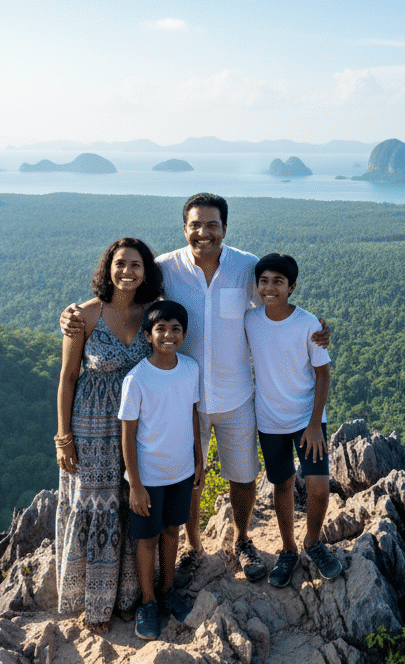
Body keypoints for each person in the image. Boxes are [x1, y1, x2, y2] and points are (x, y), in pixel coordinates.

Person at [62, 194, 329, 586]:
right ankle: (193, 546)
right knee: (188, 478)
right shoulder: (166, 269)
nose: (203, 232)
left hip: (236, 394)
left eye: (212, 225)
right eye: (195, 225)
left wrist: (317, 327)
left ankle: (241, 540)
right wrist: (73, 312)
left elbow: (276, 304)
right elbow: (125, 293)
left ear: (225, 228)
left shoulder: (245, 267)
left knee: (243, 476)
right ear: (184, 227)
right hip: (182, 397)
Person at [54, 238, 163, 633]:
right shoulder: (84, 314)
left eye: (136, 265)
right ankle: (96, 601)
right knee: (97, 505)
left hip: (140, 424)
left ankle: (130, 596)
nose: (127, 272)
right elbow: (67, 379)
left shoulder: (152, 313)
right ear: (108, 267)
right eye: (120, 264)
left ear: (145, 271)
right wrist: (63, 436)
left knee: (132, 503)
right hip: (93, 425)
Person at [245, 253, 343, 586]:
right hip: (269, 420)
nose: (269, 288)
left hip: (306, 420)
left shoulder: (308, 324)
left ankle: (313, 542)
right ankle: (288, 549)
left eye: (278, 281)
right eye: (263, 281)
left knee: (318, 488)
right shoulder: (250, 320)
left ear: (292, 287)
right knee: (282, 484)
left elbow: (323, 374)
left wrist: (315, 423)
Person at [119, 301, 202, 640]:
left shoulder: (190, 369)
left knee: (172, 531)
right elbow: (128, 433)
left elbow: (193, 414)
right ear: (148, 336)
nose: (169, 335)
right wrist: (135, 484)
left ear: (184, 334)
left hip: (181, 471)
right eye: (161, 330)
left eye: (176, 329)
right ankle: (149, 601)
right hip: (148, 477)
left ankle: (168, 590)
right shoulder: (137, 379)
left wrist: (199, 458)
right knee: (147, 538)